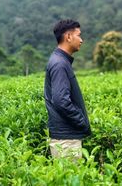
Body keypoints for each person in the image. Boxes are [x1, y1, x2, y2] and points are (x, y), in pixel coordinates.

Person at [44, 19, 91, 159]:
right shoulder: (59, 64)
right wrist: (81, 121)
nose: (81, 40)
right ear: (68, 37)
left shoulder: (60, 60)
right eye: (79, 35)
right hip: (66, 139)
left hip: (66, 136)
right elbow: (60, 101)